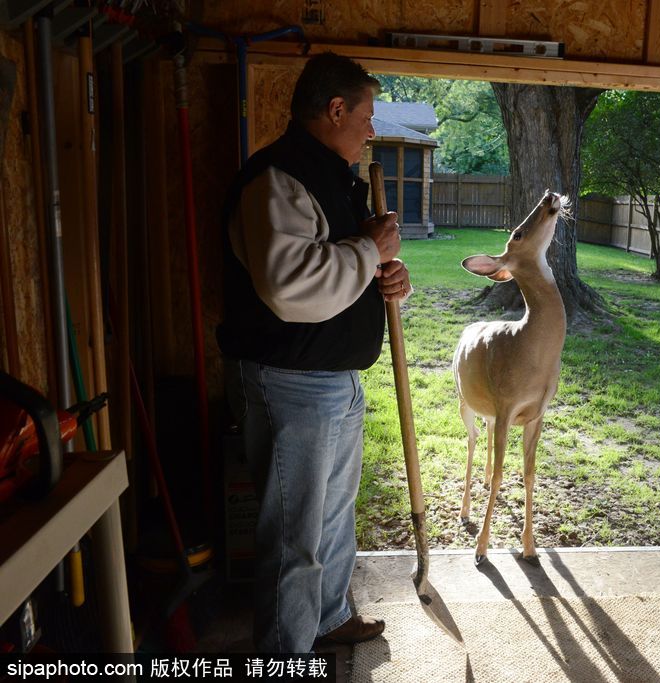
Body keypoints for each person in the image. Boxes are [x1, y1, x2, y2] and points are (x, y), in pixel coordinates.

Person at [218, 53, 409, 653]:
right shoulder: (277, 179)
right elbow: (291, 286)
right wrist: (367, 253)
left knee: (331, 520)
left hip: (333, 380)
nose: (371, 129)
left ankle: (327, 620)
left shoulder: (331, 175)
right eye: (367, 115)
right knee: (294, 537)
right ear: (335, 110)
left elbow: (345, 263)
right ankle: (284, 658)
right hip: (290, 382)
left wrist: (384, 275)